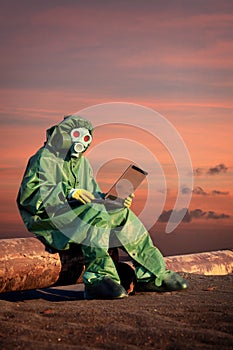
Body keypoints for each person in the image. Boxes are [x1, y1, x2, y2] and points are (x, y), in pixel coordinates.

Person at [17, 115, 188, 299]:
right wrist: (68, 192)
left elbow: (92, 195)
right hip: (49, 220)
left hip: (78, 216)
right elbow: (30, 197)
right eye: (76, 135)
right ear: (64, 135)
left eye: (85, 137)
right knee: (94, 214)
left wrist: (111, 200)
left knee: (121, 213)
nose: (81, 142)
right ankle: (98, 279)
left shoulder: (82, 163)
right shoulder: (44, 158)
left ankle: (151, 275)